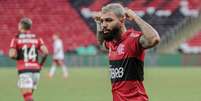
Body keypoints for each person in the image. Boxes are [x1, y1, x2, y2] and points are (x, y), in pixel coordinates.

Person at [93, 3, 160, 101]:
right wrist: (98, 23)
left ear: (122, 20)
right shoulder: (112, 43)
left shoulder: (133, 39)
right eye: (102, 21)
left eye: (109, 20)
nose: (104, 25)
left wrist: (135, 17)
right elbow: (101, 42)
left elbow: (154, 39)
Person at [9, 17, 48, 101]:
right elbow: (45, 52)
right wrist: (40, 65)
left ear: (21, 26)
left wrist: (20, 57)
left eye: (19, 24)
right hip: (36, 71)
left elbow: (11, 55)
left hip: (24, 70)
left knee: (28, 98)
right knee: (28, 96)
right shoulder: (37, 38)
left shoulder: (16, 38)